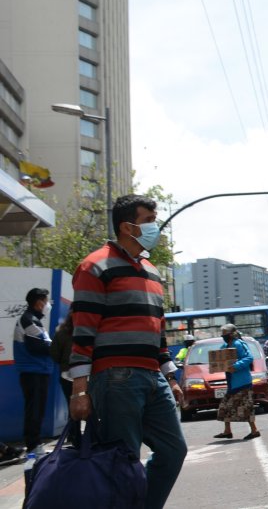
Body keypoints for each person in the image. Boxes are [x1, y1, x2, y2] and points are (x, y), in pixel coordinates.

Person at [68, 194, 187, 509]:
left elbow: (157, 330)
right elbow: (83, 331)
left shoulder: (152, 272)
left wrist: (171, 377)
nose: (155, 227)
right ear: (127, 227)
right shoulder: (95, 265)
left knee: (174, 451)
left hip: (153, 377)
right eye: (148, 220)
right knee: (123, 461)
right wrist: (79, 389)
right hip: (115, 378)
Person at [13, 287, 53, 455]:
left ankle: (35, 443)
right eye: (45, 301)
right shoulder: (28, 320)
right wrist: (57, 347)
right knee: (34, 409)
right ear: (38, 303)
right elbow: (39, 346)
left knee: (38, 408)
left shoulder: (34, 320)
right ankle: (33, 444)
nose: (47, 304)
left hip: (39, 371)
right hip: (33, 371)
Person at [213, 324, 260, 441]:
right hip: (232, 382)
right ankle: (227, 431)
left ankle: (254, 430)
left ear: (232, 334)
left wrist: (236, 366)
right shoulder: (224, 346)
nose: (224, 337)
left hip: (242, 381)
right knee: (225, 406)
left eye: (226, 335)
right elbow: (220, 360)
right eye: (222, 335)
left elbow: (249, 358)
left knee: (245, 406)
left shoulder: (239, 344)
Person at [49, 304, 76, 403]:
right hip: (88, 377)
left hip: (67, 375)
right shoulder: (92, 331)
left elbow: (55, 355)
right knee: (90, 411)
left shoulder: (62, 332)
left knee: (72, 409)